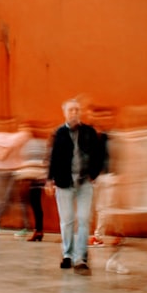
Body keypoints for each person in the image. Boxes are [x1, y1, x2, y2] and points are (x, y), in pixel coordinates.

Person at [46, 99, 106, 274]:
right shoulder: (59, 133)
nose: (74, 113)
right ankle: (68, 255)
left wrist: (93, 174)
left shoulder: (89, 132)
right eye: (71, 110)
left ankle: (81, 258)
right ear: (64, 112)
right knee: (67, 221)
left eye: (77, 110)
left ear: (80, 113)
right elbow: (53, 157)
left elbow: (99, 154)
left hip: (84, 183)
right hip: (64, 183)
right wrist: (49, 179)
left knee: (84, 219)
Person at [12, 124, 49, 241]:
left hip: (33, 178)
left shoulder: (27, 146)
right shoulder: (42, 143)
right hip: (40, 177)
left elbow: (24, 162)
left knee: (34, 205)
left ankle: (37, 230)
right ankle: (38, 230)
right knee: (36, 205)